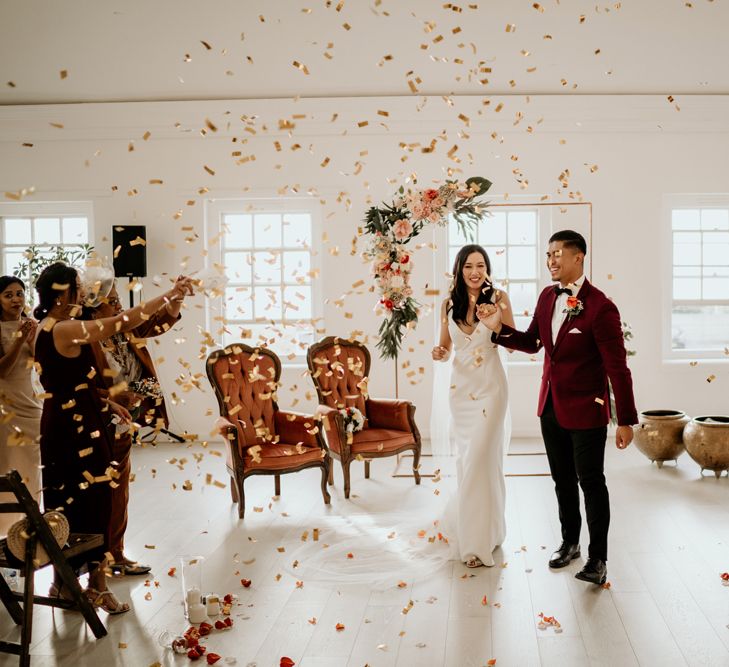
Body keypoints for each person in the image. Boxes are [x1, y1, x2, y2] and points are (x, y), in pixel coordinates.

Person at [478, 230, 637, 585]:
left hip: (587, 410)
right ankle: (569, 543)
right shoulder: (547, 297)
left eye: (557, 254)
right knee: (562, 481)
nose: (550, 260)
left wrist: (625, 419)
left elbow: (617, 368)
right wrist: (497, 329)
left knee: (591, 483)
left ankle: (598, 559)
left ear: (578, 257)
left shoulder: (602, 307)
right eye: (548, 254)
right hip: (550, 407)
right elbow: (534, 342)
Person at [33, 262, 192, 613]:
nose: (84, 292)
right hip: (78, 429)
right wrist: (169, 293)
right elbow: (124, 322)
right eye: (78, 287)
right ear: (65, 295)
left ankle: (68, 583)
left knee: (70, 502)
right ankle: (96, 587)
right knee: (94, 501)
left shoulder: (46, 327)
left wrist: (105, 400)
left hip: (66, 421)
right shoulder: (65, 329)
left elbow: (66, 380)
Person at [87, 279, 189, 575]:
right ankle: (97, 561)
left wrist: (177, 299)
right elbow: (78, 385)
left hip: (124, 420)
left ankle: (116, 553)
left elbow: (157, 325)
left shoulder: (123, 329)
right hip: (96, 420)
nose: (119, 305)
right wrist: (113, 397)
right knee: (100, 492)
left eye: (119, 299)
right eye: (113, 300)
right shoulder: (88, 338)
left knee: (119, 491)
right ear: (94, 306)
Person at [431, 244, 515, 568]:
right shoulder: (448, 303)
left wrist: (494, 323)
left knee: (481, 459)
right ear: (459, 269)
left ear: (487, 269)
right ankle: (486, 532)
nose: (475, 272)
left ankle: (477, 545)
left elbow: (513, 339)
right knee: (471, 463)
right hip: (460, 392)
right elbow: (444, 347)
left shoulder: (499, 298)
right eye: (469, 266)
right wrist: (438, 353)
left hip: (491, 390)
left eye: (481, 265)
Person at [0, 276, 41, 535]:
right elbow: (2, 371)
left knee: (33, 468)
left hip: (30, 401)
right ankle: (6, 533)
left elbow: (39, 364)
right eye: (8, 295)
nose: (16, 299)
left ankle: (31, 530)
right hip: (6, 404)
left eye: (20, 293)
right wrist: (18, 341)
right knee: (7, 466)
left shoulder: (31, 324)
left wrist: (31, 341)